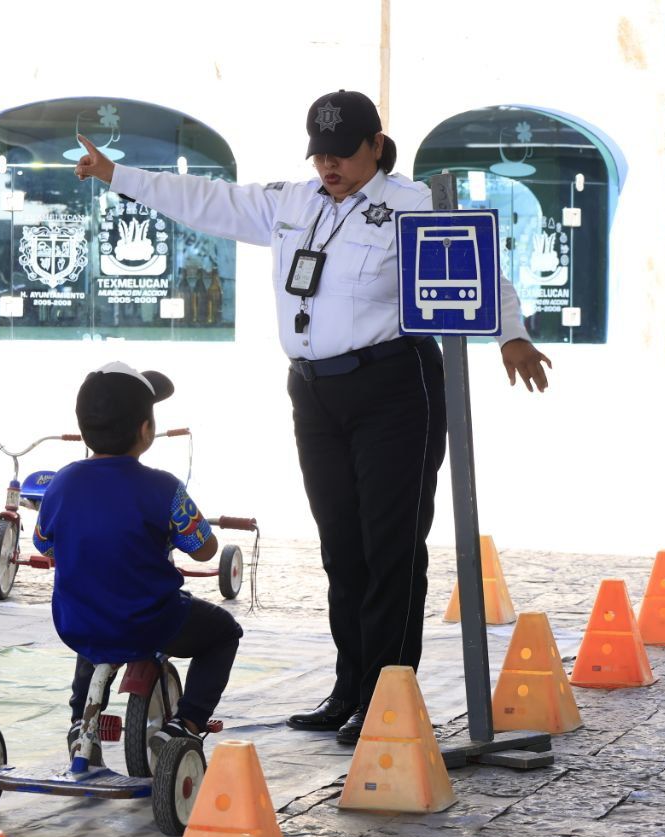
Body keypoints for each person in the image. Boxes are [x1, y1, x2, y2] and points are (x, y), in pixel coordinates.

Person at [74, 89, 552, 745]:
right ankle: (349, 686)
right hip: (314, 391)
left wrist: (512, 334)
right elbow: (209, 201)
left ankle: (386, 695)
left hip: (393, 386)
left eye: (343, 154)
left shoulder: (410, 203)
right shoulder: (293, 202)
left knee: (389, 548)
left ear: (376, 146)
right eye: (321, 154)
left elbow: (476, 264)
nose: (330, 166)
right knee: (341, 547)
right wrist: (116, 175)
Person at [33, 361, 243, 762]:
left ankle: (80, 722)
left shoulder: (61, 482)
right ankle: (187, 724)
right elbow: (205, 549)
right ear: (146, 430)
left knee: (96, 625)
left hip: (77, 619)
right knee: (223, 633)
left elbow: (45, 545)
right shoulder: (163, 487)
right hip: (153, 620)